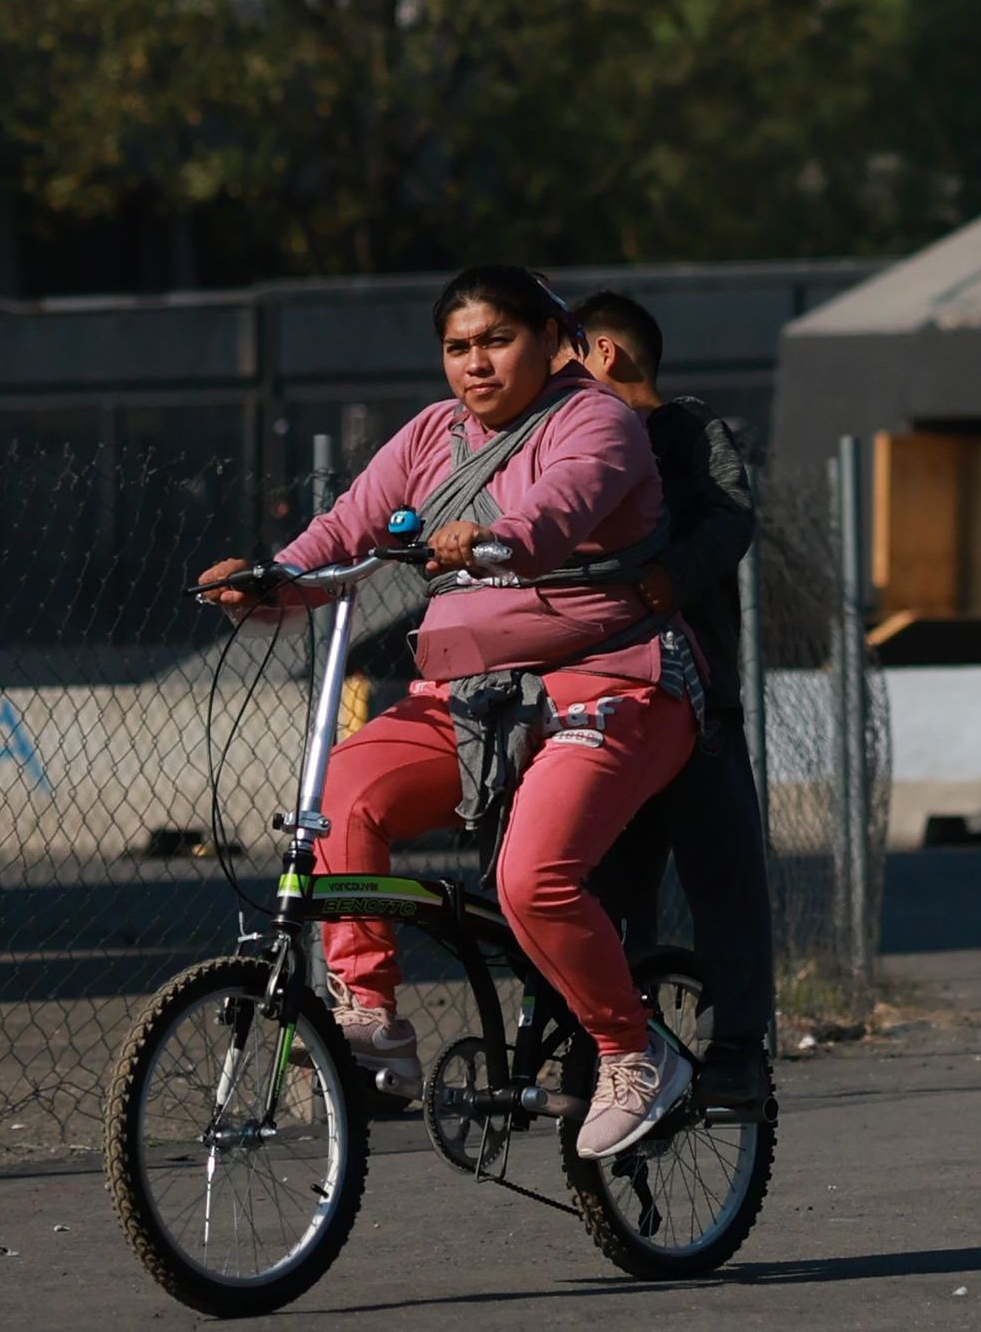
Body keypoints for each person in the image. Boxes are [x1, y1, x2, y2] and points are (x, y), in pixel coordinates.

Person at [197, 265, 704, 1158]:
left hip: (610, 686)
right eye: (458, 347)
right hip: (467, 700)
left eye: (497, 341)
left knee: (531, 878)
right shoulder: (434, 431)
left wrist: (492, 535)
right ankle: (372, 1024)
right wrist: (266, 582)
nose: (475, 363)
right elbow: (345, 530)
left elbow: (557, 509)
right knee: (344, 790)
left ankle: (635, 1052)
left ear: (552, 340)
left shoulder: (598, 421)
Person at [573, 290, 778, 1102]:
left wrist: (669, 581)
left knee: (720, 873)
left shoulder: (690, 431)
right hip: (606, 708)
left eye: (565, 357)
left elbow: (730, 520)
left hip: (697, 707)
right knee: (605, 885)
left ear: (606, 353)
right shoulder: (570, 446)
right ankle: (610, 1047)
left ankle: (736, 1050)